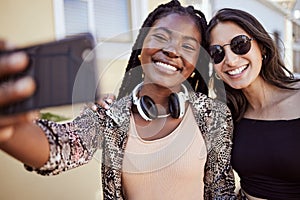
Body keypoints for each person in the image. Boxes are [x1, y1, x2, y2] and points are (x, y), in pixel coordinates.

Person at [0, 1, 237, 199]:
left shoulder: (213, 116)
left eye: (188, 46)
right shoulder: (110, 114)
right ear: (141, 46)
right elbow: (60, 147)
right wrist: (8, 131)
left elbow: (221, 192)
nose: (172, 50)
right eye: (161, 37)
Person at [206, 8, 300, 199]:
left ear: (262, 47)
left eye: (239, 44)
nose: (231, 60)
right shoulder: (227, 116)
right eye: (217, 53)